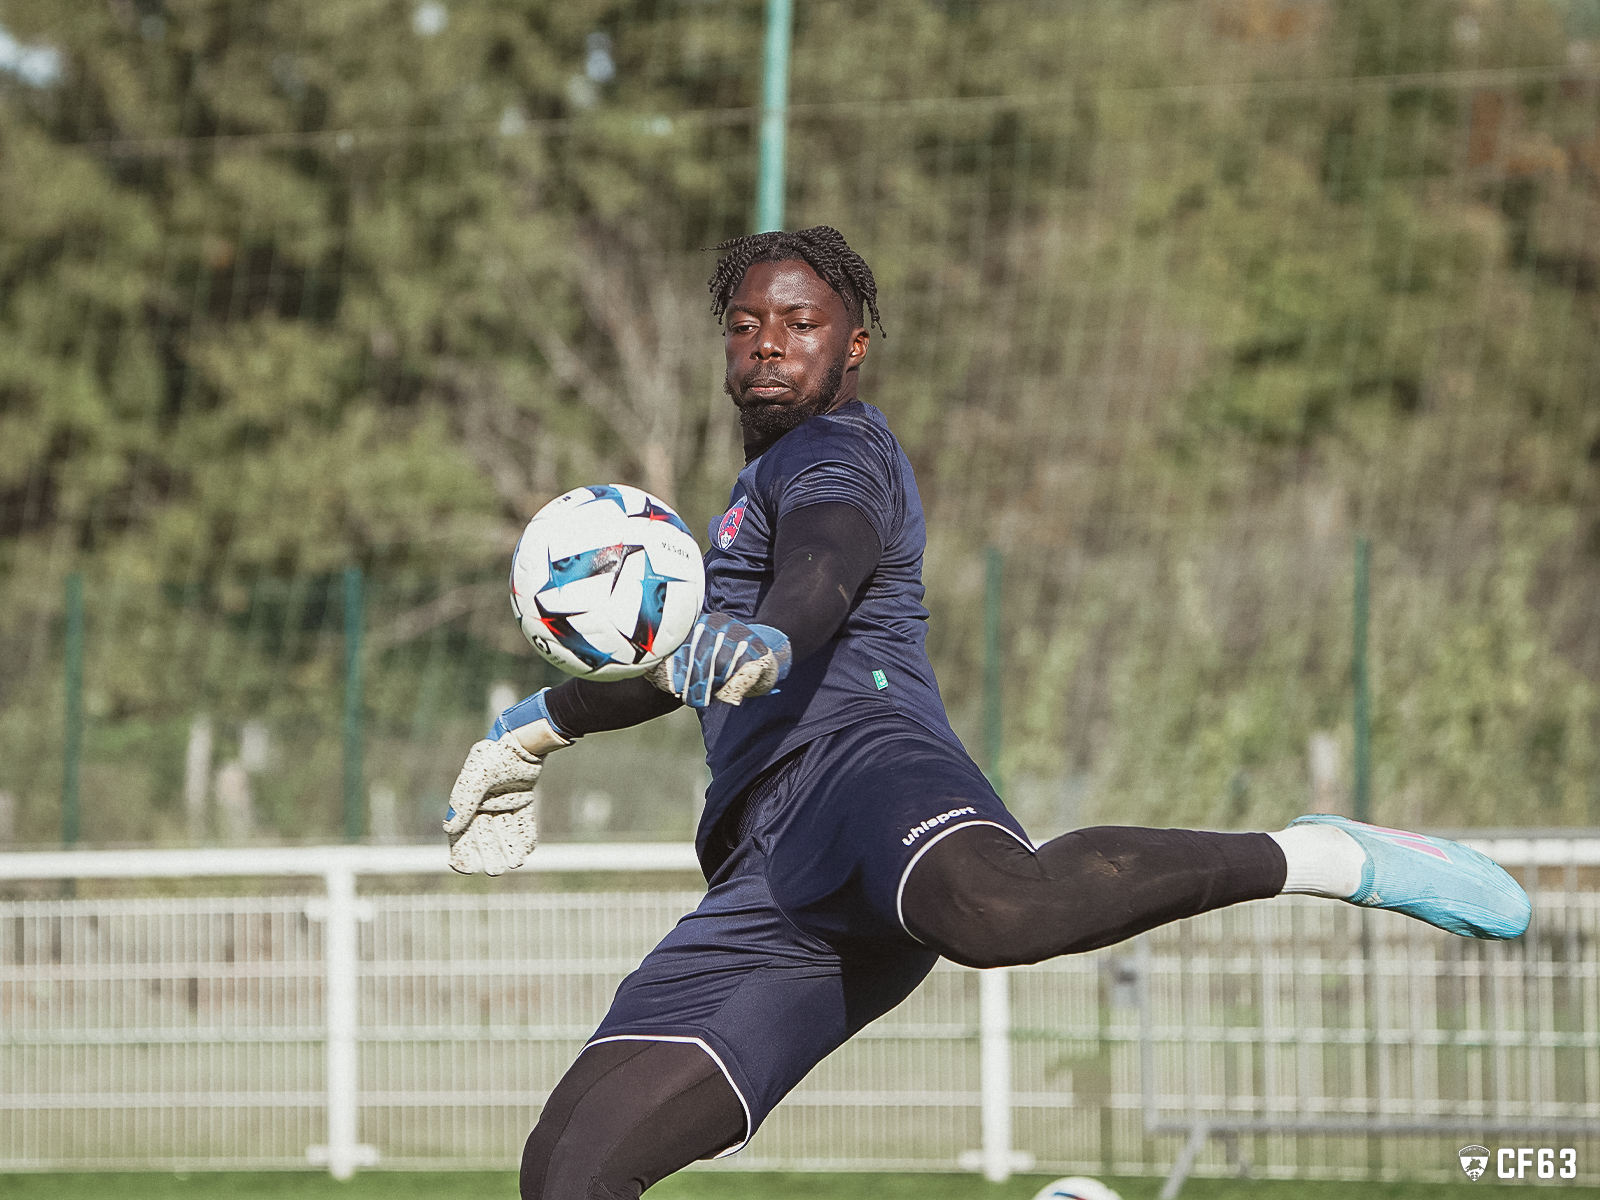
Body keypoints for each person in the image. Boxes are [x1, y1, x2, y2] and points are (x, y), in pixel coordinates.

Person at [442, 226, 1532, 1200]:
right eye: (745, 323)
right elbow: (668, 662)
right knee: (570, 1167)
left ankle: (1319, 855)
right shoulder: (736, 505)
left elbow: (825, 563)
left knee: (997, 915)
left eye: (801, 321)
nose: (769, 342)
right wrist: (532, 729)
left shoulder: (838, 453)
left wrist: (779, 634)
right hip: (767, 877)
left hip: (866, 774)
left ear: (855, 344)